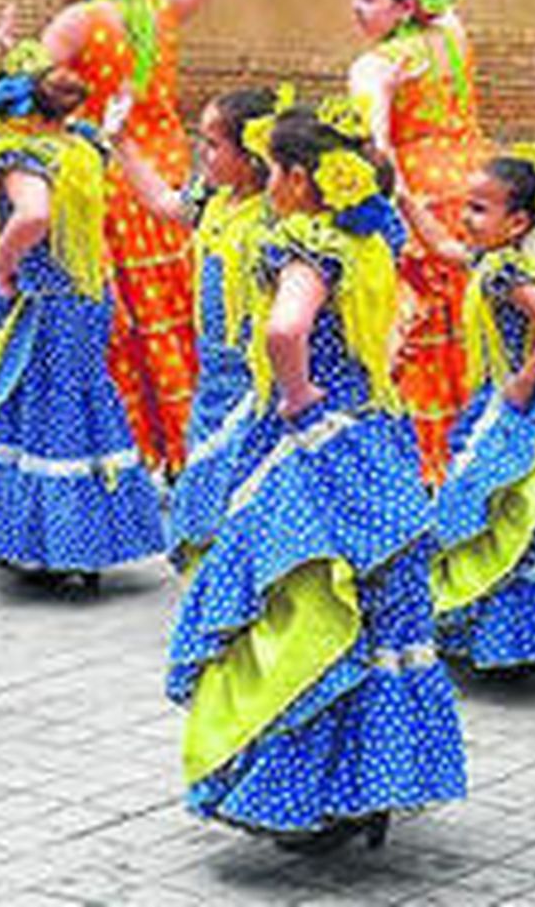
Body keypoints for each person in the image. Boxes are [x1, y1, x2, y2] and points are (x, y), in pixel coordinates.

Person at [168, 100, 467, 849]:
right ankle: (370, 787)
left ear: (300, 178)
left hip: (312, 442)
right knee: (378, 606)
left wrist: (296, 394)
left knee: (301, 602)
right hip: (376, 432)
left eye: (271, 169)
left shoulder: (305, 245)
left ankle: (305, 793)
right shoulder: (369, 236)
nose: (266, 183)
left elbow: (282, 327)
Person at [7, 0, 222, 476]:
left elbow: (30, 89)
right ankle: (194, 442)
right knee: (179, 307)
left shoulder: (79, 23)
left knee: (125, 317)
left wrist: (7, 52)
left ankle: (138, 447)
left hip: (113, 177)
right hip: (171, 166)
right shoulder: (162, 7)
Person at [0, 42, 164, 588]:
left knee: (24, 404)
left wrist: (1, 266)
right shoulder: (81, 145)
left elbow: (33, 215)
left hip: (41, 303)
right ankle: (83, 542)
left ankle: (44, 541)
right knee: (79, 405)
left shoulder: (24, 157)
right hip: (89, 298)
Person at [402, 149, 535, 679]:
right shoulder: (492, 262)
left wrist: (523, 382)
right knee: (520, 516)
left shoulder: (506, 274)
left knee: (495, 513)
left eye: (478, 209)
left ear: (517, 222)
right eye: (467, 206)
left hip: (511, 406)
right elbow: (445, 248)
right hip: (498, 403)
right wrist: (405, 200)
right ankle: (519, 642)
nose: (466, 219)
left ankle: (513, 644)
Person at [349, 0, 487, 484]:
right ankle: (478, 444)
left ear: (404, 6)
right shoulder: (452, 37)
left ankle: (423, 460)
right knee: (470, 319)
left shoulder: (376, 64)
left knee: (417, 331)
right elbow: (440, 1)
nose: (356, 8)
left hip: (422, 201)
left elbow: (376, 144)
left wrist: (386, 202)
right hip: (478, 189)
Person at [116, 86, 278, 566]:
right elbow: (166, 204)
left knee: (241, 473)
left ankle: (244, 569)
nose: (199, 153)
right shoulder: (213, 198)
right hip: (211, 371)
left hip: (254, 375)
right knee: (207, 469)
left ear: (251, 156)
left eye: (212, 144)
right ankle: (217, 568)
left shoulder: (273, 217)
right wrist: (122, 144)